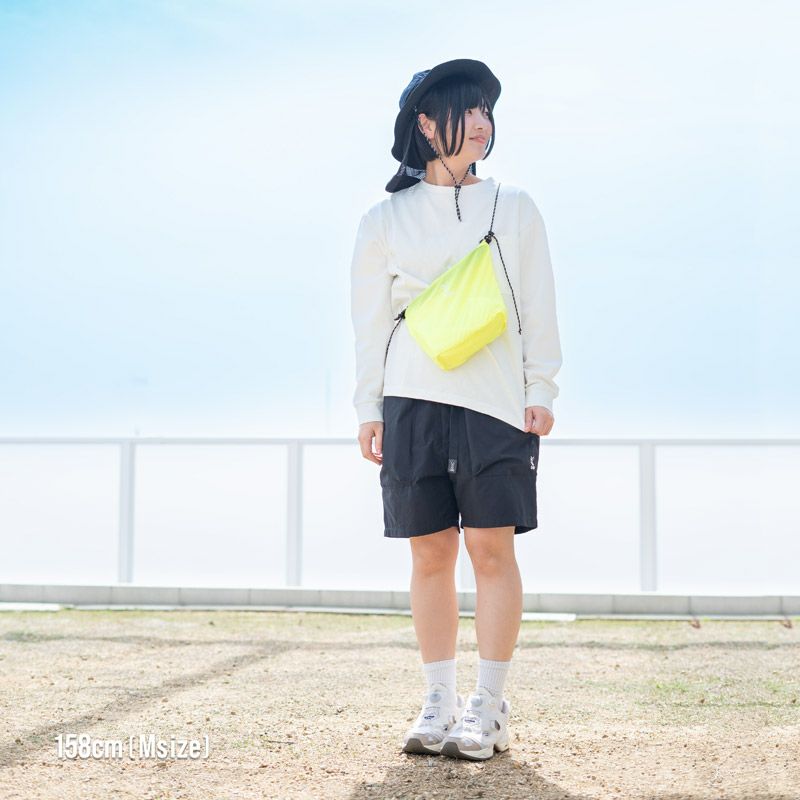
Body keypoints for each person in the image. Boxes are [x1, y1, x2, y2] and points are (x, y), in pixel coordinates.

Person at [349, 58, 563, 761]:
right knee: (430, 552)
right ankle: (438, 700)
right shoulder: (383, 220)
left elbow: (537, 307)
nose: (481, 122)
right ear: (424, 123)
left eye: (486, 111)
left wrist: (540, 390)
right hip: (411, 401)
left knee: (491, 550)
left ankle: (489, 706)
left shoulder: (515, 206)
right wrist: (369, 406)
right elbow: (370, 325)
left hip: (494, 403)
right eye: (466, 109)